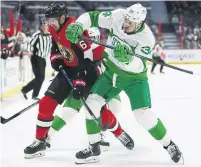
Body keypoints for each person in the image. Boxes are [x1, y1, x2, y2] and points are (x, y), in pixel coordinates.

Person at [66, 3, 183, 164]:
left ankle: (169, 144)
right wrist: (79, 24)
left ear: (140, 23)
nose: (125, 24)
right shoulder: (118, 16)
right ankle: (94, 148)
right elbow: (92, 17)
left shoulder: (147, 38)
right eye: (126, 19)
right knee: (91, 105)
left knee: (143, 115)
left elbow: (140, 65)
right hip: (111, 73)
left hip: (134, 79)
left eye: (130, 23)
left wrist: (128, 58)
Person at [24, 3, 134, 159]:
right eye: (47, 20)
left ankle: (119, 132)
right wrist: (56, 58)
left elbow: (87, 59)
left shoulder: (76, 29)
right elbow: (56, 44)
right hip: (69, 71)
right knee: (46, 104)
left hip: (87, 73)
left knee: (99, 114)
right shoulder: (55, 28)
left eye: (52, 20)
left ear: (62, 17)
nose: (49, 24)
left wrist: (80, 83)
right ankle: (40, 141)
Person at [46, 27, 123, 151]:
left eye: (92, 38)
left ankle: (101, 135)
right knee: (67, 112)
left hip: (101, 88)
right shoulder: (78, 51)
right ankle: (46, 136)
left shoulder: (105, 50)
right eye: (87, 38)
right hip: (81, 86)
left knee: (115, 106)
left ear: (98, 38)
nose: (89, 41)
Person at [21, 19, 52, 100]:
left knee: (40, 78)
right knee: (40, 78)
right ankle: (31, 93)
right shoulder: (37, 35)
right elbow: (30, 44)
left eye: (46, 26)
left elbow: (51, 45)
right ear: (41, 27)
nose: (45, 27)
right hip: (36, 58)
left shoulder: (49, 35)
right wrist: (29, 51)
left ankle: (28, 91)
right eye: (43, 26)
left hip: (43, 59)